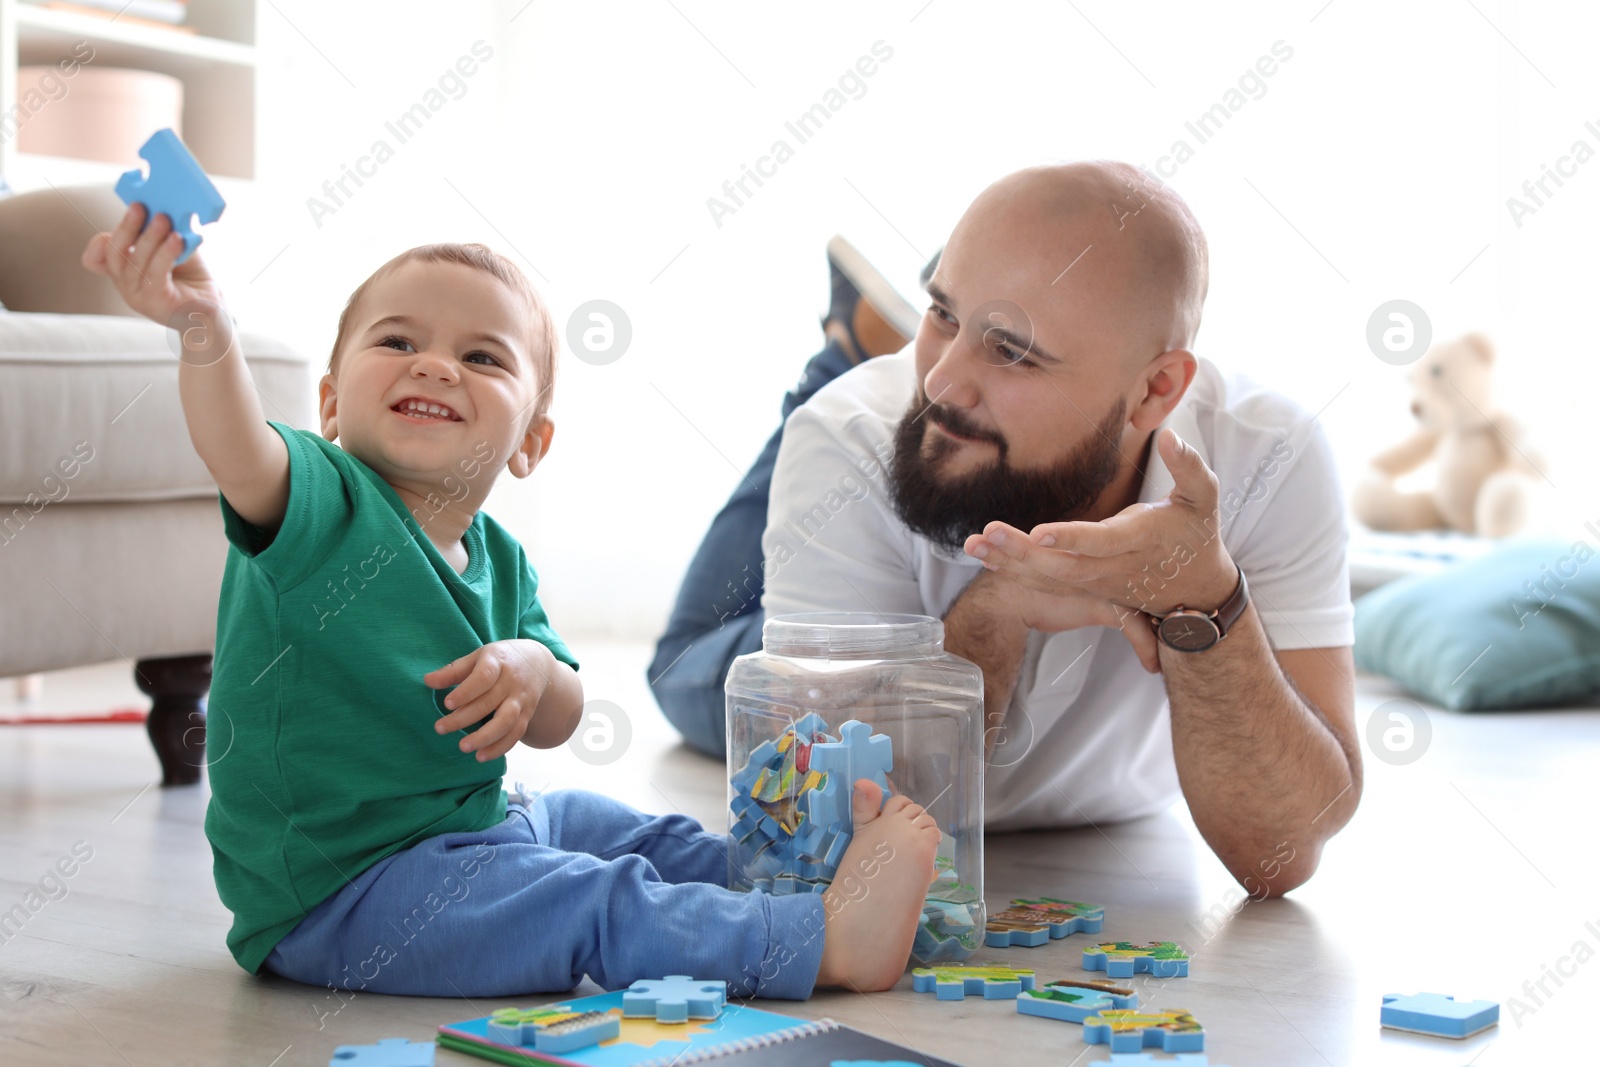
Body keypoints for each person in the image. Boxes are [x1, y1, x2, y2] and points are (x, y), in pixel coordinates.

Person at [82, 206, 941, 999]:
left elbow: (559, 711)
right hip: (345, 893)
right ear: (332, 404)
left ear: (530, 441)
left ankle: (798, 875)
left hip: (478, 822)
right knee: (592, 901)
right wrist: (205, 329)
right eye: (397, 341)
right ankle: (816, 941)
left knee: (626, 830)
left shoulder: (500, 556)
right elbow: (237, 447)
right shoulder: (316, 500)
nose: (434, 364)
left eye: (482, 357)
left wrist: (533, 667)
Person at [651, 162, 1361, 897]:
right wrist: (993, 614)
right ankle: (843, 351)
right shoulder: (845, 436)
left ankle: (863, 338)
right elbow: (818, 836)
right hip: (845, 497)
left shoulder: (1271, 454)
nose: (939, 380)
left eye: (1013, 350)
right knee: (684, 670)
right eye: (942, 314)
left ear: (1156, 390)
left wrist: (1208, 603)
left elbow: (1281, 850)